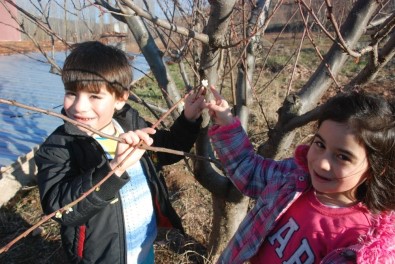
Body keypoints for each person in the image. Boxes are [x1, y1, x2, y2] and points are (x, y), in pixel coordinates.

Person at [34, 41, 205, 264]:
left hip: (143, 249)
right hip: (102, 258)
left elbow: (168, 150)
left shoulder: (131, 123)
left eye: (94, 96)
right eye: (71, 93)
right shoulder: (59, 147)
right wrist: (114, 169)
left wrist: (188, 119)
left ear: (120, 98)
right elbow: (60, 209)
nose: (79, 106)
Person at [206, 86, 395, 263]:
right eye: (320, 144)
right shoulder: (294, 177)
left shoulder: (357, 240)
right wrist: (227, 123)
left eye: (343, 157)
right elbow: (251, 171)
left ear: (374, 169)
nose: (322, 162)